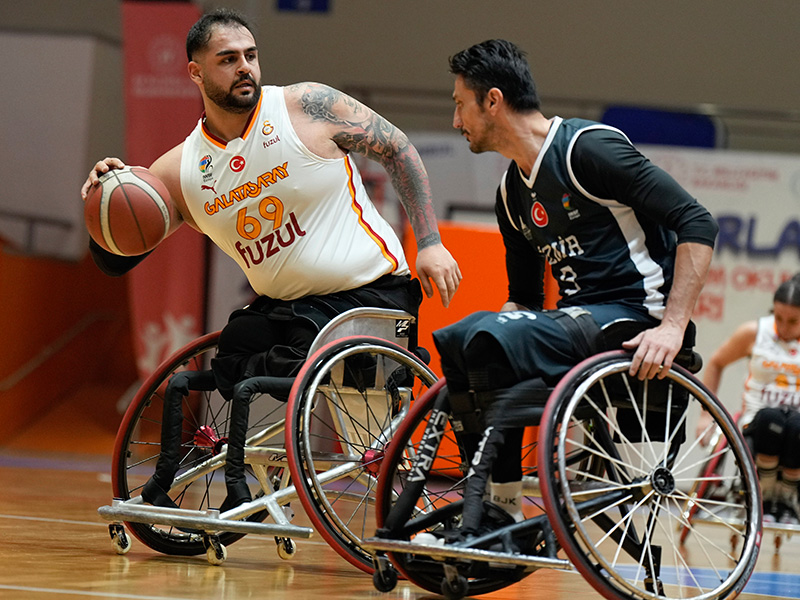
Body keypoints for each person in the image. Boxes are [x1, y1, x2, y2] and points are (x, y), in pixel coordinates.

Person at [80, 8, 461, 511]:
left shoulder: (307, 107)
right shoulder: (179, 170)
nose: (245, 67)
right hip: (287, 311)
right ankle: (189, 485)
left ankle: (422, 514)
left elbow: (398, 149)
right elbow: (118, 257)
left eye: (251, 56)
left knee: (377, 458)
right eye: (228, 59)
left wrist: (430, 241)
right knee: (233, 348)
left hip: (367, 298)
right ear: (195, 72)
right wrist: (107, 201)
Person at [432, 39, 718, 524]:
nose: (456, 120)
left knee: (486, 335)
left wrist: (672, 326)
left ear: (493, 101)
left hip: (636, 316)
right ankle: (498, 506)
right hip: (577, 321)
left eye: (461, 105)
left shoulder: (588, 148)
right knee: (462, 337)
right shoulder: (511, 193)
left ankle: (497, 509)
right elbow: (523, 299)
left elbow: (697, 221)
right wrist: (493, 327)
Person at [697, 275, 800, 524]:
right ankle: (765, 491)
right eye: (779, 318)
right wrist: (705, 415)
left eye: (793, 321)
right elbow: (716, 362)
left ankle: (786, 495)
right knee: (770, 418)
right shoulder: (754, 332)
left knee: (796, 425)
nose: (784, 327)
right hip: (757, 421)